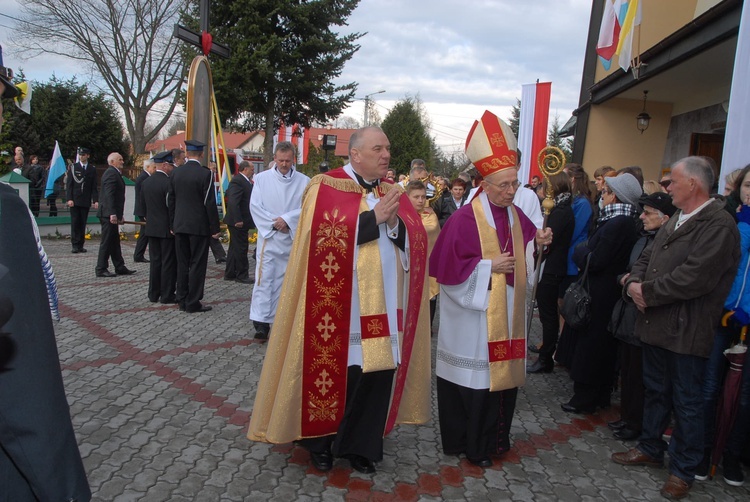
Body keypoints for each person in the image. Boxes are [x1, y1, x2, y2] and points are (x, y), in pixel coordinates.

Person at [247, 126, 431, 475]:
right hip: (338, 307)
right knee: (335, 374)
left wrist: (394, 225)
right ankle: (320, 442)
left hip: (385, 306)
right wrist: (373, 219)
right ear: (356, 154)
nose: (386, 155)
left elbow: (417, 240)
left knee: (375, 375)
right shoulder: (325, 185)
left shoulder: (393, 191)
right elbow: (318, 237)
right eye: (378, 148)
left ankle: (361, 445)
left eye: (388, 148)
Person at [612, 156, 740, 500]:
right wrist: (634, 284)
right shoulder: (679, 217)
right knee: (656, 390)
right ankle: (651, 448)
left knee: (687, 401)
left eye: (673, 181)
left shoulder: (719, 224)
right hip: (656, 324)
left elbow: (695, 278)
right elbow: (646, 256)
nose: (667, 187)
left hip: (687, 329)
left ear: (693, 185)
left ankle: (683, 470)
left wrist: (646, 294)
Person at [430, 111, 552, 467]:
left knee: (500, 384)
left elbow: (529, 249)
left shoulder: (515, 214)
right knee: (477, 383)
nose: (512, 191)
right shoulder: (464, 219)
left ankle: (496, 440)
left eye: (514, 184)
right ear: (485, 185)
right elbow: (448, 273)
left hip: (507, 314)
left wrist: (540, 240)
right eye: (505, 185)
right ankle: (472, 445)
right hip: (474, 320)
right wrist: (488, 267)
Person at [561, 173, 640, 414]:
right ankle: (599, 394)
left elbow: (594, 258)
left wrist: (580, 253)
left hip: (602, 292)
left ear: (614, 196)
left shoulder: (618, 223)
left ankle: (585, 397)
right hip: (606, 289)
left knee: (593, 346)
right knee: (601, 345)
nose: (601, 197)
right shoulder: (621, 220)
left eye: (604, 193)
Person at [698, 163, 750, 486]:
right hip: (723, 316)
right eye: (747, 186)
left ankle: (732, 455)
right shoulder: (730, 220)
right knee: (709, 387)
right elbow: (723, 266)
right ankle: (702, 451)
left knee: (743, 397)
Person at [608, 192, 676, 442]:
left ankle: (637, 422)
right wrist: (626, 279)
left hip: (644, 315)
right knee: (627, 369)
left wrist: (634, 281)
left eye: (648, 213)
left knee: (640, 374)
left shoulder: (664, 243)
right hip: (627, 311)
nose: (642, 216)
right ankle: (627, 416)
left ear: (664, 217)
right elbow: (631, 269)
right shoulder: (643, 238)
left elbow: (655, 276)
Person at [249, 142, 310, 339]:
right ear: (274, 158)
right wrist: (275, 223)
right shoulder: (261, 179)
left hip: (292, 239)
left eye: (288, 161)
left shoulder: (304, 181)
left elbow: (308, 207)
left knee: (289, 281)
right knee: (265, 280)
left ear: (294, 160)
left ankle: (285, 321)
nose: (284, 164)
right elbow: (255, 206)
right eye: (281, 160)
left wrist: (288, 219)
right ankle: (261, 322)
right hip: (270, 239)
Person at [527, 172, 575, 374]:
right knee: (547, 314)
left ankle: (546, 357)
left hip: (552, 268)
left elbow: (549, 240)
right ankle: (545, 353)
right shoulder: (557, 209)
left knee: (548, 316)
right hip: (549, 267)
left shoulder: (561, 212)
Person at [169, 139, 221, 313]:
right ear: (201, 154)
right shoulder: (205, 174)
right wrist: (215, 228)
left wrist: (172, 223)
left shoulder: (176, 173)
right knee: (197, 264)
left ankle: (181, 298)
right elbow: (209, 203)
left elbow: (171, 200)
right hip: (198, 226)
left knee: (182, 263)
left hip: (180, 225)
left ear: (187, 154)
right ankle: (193, 301)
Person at [551, 163, 593, 365]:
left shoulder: (583, 203)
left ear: (573, 180)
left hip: (572, 258)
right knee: (560, 302)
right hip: (565, 257)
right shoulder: (574, 201)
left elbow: (574, 232)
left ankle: (564, 347)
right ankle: (561, 343)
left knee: (566, 303)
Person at [142, 151, 177, 304]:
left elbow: (144, 206)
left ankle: (153, 293)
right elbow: (170, 206)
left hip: (151, 227)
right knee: (168, 262)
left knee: (155, 261)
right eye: (171, 165)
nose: (172, 168)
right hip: (165, 229)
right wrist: (172, 225)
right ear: (164, 165)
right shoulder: (168, 183)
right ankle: (167, 294)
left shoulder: (146, 182)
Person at [406, 180, 441, 328]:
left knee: (429, 301)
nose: (421, 200)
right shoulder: (401, 214)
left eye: (423, 197)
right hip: (408, 267)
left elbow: (431, 230)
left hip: (427, 267)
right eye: (416, 197)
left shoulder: (430, 215)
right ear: (407, 197)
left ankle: (427, 328)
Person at [95, 152, 136, 278]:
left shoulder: (115, 173)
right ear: (112, 162)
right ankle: (101, 268)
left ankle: (119, 266)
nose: (122, 161)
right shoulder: (110, 174)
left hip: (112, 214)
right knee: (107, 242)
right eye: (120, 159)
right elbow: (109, 195)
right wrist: (112, 213)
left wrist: (119, 214)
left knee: (114, 241)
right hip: (108, 214)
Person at [223, 160, 255, 284]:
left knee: (234, 248)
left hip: (241, 220)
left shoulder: (244, 181)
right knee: (241, 248)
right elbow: (233, 201)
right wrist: (237, 219)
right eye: (252, 169)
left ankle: (230, 273)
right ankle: (242, 274)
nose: (253, 171)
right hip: (238, 221)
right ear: (245, 169)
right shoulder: (238, 181)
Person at [67, 147, 99, 254]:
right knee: (75, 222)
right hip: (75, 200)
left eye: (84, 155)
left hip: (85, 200)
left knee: (83, 223)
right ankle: (75, 245)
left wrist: (95, 200)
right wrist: (69, 199)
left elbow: (94, 186)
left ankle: (81, 244)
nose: (82, 156)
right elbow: (69, 185)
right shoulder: (73, 167)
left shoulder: (91, 169)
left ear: (88, 156)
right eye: (80, 155)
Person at [133, 157, 156, 263]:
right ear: (147, 167)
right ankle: (138, 255)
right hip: (143, 210)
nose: (155, 169)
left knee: (144, 234)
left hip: (144, 210)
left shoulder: (146, 177)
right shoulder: (143, 178)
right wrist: (145, 212)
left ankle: (139, 254)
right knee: (144, 234)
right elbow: (142, 197)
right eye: (153, 167)